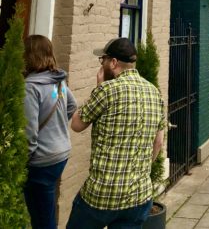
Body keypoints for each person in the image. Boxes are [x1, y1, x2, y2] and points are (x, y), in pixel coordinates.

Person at [67, 37, 165, 229]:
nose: (101, 64)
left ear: (113, 63)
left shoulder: (107, 90)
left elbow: (77, 124)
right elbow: (159, 142)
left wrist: (99, 87)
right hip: (139, 196)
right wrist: (140, 171)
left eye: (102, 60)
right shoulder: (154, 92)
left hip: (102, 195)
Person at [23, 35, 77, 229]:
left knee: (42, 219)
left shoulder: (31, 87)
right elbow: (72, 105)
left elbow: (29, 132)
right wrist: (59, 125)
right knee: (46, 208)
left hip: (41, 161)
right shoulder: (57, 81)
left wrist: (22, 162)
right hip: (61, 154)